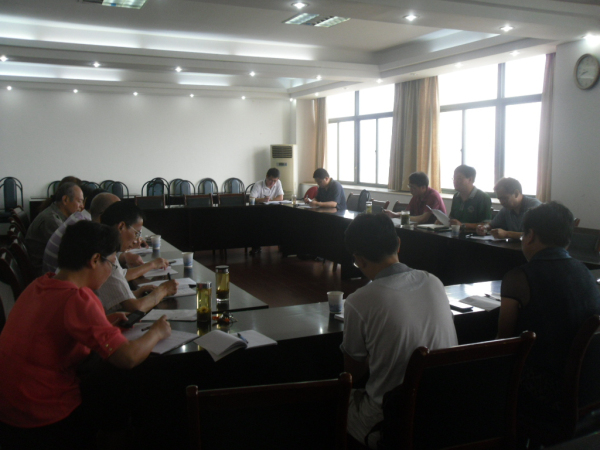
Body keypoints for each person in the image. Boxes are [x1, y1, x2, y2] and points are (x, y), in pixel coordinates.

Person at [0, 221, 172, 449]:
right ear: (94, 260)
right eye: (111, 263)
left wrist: (105, 321)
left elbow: (57, 331)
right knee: (117, 380)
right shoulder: (77, 298)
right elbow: (128, 358)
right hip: (45, 416)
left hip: (10, 413)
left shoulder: (40, 285)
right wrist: (157, 332)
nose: (111, 271)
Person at [342, 213, 458, 448]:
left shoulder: (359, 300)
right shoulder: (433, 281)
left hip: (392, 418)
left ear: (359, 259)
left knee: (333, 403)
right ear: (398, 244)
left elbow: (352, 372)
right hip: (445, 408)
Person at [497, 202, 600, 415]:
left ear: (530, 235)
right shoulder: (586, 272)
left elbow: (503, 343)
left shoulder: (519, 278)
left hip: (548, 391)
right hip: (590, 385)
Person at [98, 201, 178, 312]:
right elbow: (136, 308)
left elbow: (120, 275)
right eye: (136, 233)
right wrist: (164, 290)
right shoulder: (106, 257)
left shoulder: (107, 250)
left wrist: (136, 293)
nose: (137, 240)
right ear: (121, 226)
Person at [25, 182, 85, 276]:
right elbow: (69, 252)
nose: (82, 206)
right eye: (79, 201)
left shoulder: (55, 213)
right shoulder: (52, 220)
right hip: (42, 272)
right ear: (65, 200)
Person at [476, 177, 542, 239]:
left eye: (504, 198)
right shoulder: (507, 209)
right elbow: (492, 225)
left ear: (516, 193)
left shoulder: (535, 207)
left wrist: (507, 234)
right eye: (500, 199)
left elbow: (535, 235)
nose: (502, 202)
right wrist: (484, 228)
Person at [448, 165, 491, 231]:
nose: (455, 181)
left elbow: (487, 224)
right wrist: (444, 221)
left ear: (470, 179)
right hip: (456, 233)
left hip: (474, 235)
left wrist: (463, 225)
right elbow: (452, 218)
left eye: (459, 178)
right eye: (454, 178)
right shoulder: (456, 196)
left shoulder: (483, 197)